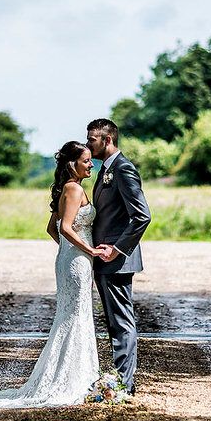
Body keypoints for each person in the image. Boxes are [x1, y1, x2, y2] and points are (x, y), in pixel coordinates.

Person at [0, 141, 103, 408]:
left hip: (71, 259)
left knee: (73, 316)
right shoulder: (73, 188)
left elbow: (51, 228)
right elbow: (66, 228)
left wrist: (72, 252)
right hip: (77, 261)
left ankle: (78, 376)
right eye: (86, 161)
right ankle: (74, 380)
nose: (91, 164)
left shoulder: (70, 188)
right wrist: (89, 250)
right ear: (73, 164)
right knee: (75, 316)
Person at [86, 118, 151, 396]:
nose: (88, 144)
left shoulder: (123, 169)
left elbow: (142, 216)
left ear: (107, 140)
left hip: (117, 259)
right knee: (113, 322)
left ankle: (124, 384)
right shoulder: (105, 171)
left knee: (122, 321)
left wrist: (118, 248)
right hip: (104, 259)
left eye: (92, 139)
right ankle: (120, 380)